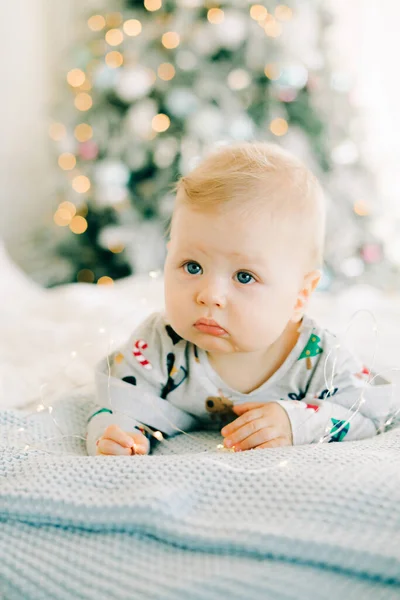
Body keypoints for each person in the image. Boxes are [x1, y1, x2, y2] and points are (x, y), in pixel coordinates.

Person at [86, 142, 394, 457]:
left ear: (300, 297)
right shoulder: (159, 342)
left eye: (244, 276)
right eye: (193, 266)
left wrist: (297, 422)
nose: (209, 295)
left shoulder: (320, 357)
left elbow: (370, 412)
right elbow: (117, 400)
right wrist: (119, 435)